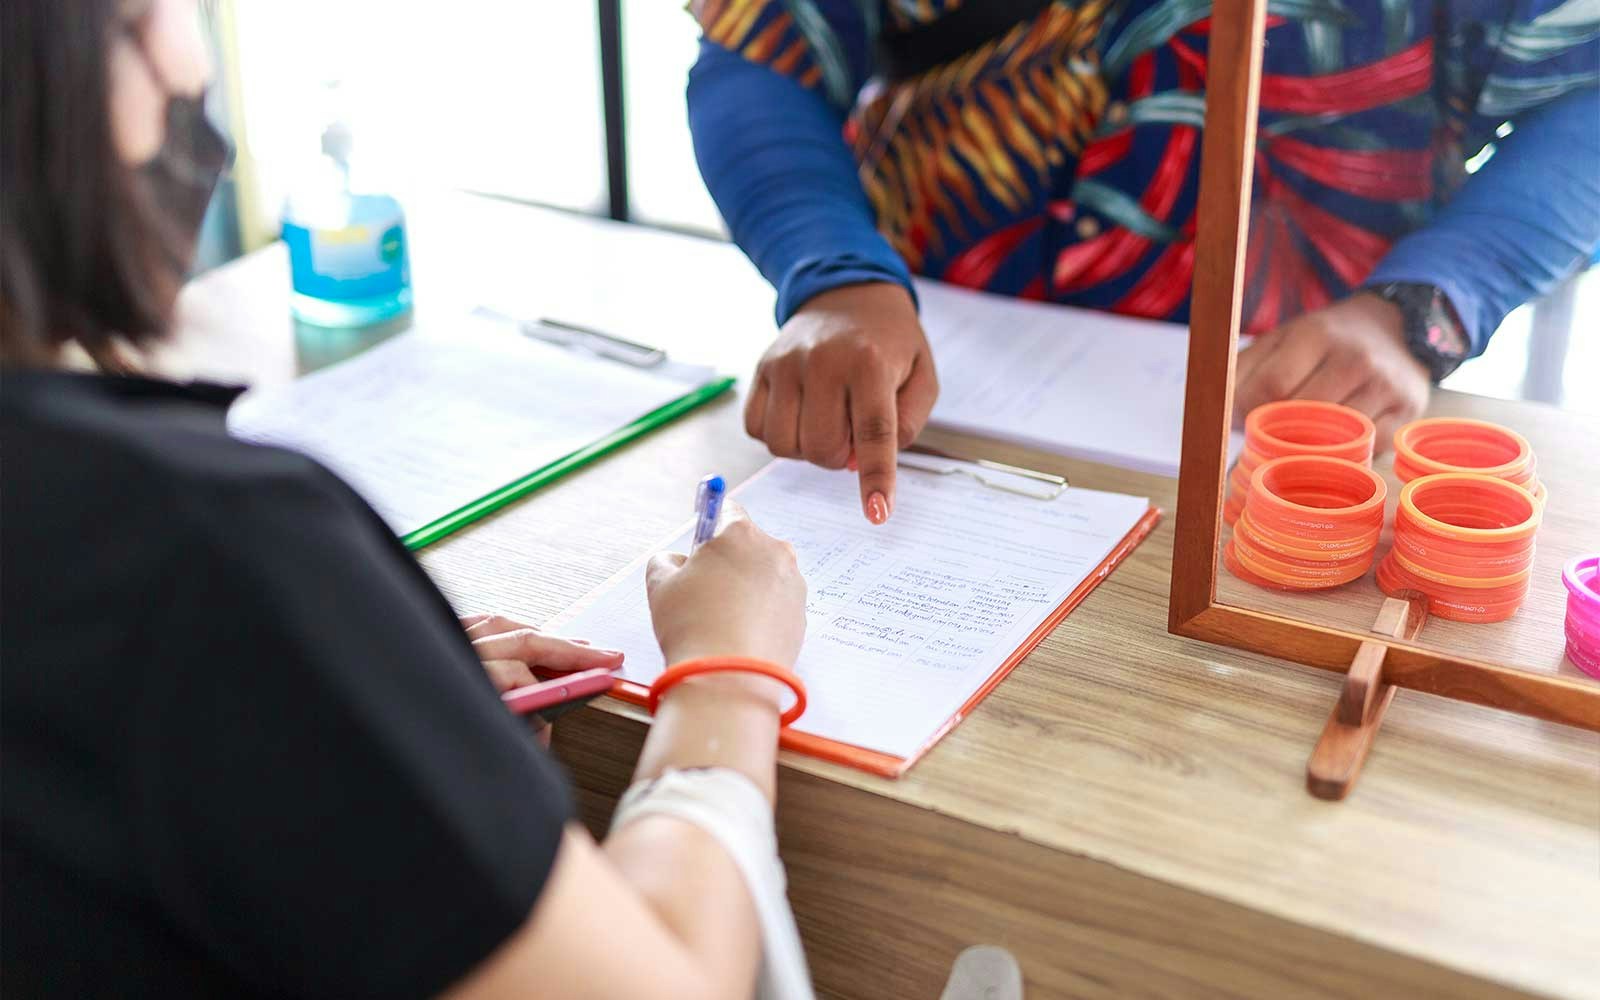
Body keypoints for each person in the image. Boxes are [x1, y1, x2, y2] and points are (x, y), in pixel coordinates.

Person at [0, 2, 814, 998]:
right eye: (141, 18)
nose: (187, 61)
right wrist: (726, 673)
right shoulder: (205, 550)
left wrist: (347, 691)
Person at [686, 0, 1600, 522]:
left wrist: (1424, 305)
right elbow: (756, 53)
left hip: (1298, 411)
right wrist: (832, 274)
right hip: (916, 384)